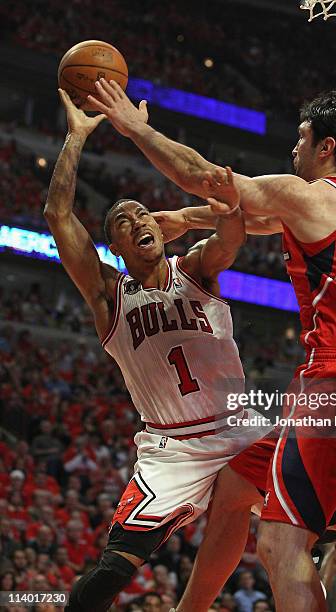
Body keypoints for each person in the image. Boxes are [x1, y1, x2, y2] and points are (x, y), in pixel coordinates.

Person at [89, 79, 336, 611]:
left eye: (302, 138)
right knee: (235, 490)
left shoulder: (311, 193)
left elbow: (206, 179)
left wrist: (135, 127)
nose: (294, 148)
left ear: (327, 146)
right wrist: (185, 221)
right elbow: (247, 217)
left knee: (280, 545)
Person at [44, 90, 270, 612]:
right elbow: (58, 215)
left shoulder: (196, 269)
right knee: (116, 565)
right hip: (174, 446)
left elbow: (232, 236)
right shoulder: (110, 296)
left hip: (240, 425)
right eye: (123, 221)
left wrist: (209, 211)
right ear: (116, 248)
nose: (138, 221)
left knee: (322, 511)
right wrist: (76, 138)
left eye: (143, 213)